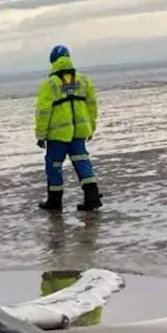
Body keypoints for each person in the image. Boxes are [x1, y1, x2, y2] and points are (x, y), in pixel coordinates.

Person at [34, 45, 101, 211]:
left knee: (54, 166)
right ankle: (92, 198)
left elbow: (43, 111)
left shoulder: (49, 84)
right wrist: (91, 127)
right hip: (79, 132)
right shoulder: (84, 80)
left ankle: (55, 202)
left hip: (58, 134)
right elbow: (92, 106)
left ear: (52, 62)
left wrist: (40, 134)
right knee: (82, 163)